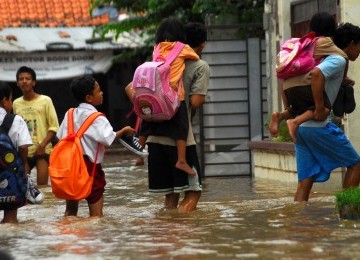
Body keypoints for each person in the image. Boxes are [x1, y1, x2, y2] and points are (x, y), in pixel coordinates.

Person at [126, 20, 209, 212]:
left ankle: (166, 233)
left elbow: (130, 88)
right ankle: (182, 235)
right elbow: (196, 102)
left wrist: (149, 105)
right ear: (202, 43)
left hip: (154, 138)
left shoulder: (156, 62)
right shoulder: (199, 65)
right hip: (179, 138)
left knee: (170, 195)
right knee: (193, 191)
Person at [294, 22, 360, 202]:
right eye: (359, 47)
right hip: (318, 126)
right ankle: (348, 210)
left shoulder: (324, 57)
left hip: (302, 128)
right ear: (353, 43)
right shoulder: (338, 59)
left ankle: (298, 224)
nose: (359, 52)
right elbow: (317, 74)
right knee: (356, 165)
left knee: (305, 182)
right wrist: (319, 107)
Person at [56, 76, 135, 217]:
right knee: (96, 217)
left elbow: (60, 136)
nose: (102, 93)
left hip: (70, 168)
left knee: (70, 212)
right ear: (89, 98)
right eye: (98, 91)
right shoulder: (97, 117)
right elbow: (108, 138)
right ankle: (92, 239)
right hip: (90, 168)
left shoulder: (69, 113)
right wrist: (123, 131)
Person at [133, 17, 200, 176]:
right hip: (174, 96)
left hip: (154, 94)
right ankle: (181, 161)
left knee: (148, 120)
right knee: (182, 126)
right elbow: (195, 57)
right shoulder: (182, 48)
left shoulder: (156, 48)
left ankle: (139, 151)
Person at [268, 12, 349, 143]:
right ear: (331, 28)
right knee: (322, 107)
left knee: (294, 109)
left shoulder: (303, 42)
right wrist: (344, 78)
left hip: (287, 86)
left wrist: (287, 106)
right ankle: (295, 123)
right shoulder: (324, 41)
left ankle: (280, 115)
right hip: (303, 85)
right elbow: (343, 56)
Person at [13, 66, 59, 185]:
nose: (24, 81)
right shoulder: (16, 103)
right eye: (21, 79)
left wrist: (42, 145)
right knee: (22, 185)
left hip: (42, 150)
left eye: (27, 78)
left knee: (43, 187)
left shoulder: (45, 100)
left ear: (34, 82)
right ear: (17, 83)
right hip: (24, 150)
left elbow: (54, 126)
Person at [0, 81, 32, 223]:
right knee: (10, 219)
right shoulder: (16, 120)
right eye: (11, 99)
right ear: (5, 100)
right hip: (9, 175)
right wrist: (24, 165)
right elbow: (24, 147)